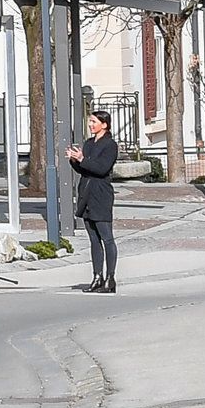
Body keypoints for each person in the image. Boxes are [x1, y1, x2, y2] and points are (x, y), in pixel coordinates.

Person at [68, 107, 121, 292]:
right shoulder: (89, 143)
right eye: (90, 122)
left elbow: (101, 168)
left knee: (106, 237)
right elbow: (85, 169)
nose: (90, 125)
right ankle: (97, 275)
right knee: (93, 239)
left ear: (104, 125)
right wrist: (75, 160)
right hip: (87, 192)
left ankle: (110, 278)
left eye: (94, 122)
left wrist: (83, 159)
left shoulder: (110, 145)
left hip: (101, 193)